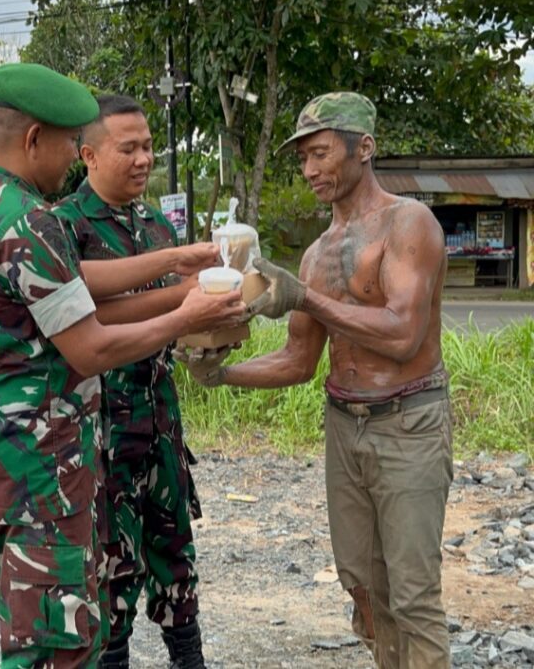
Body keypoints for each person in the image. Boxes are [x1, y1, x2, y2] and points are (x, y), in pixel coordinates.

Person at [0, 63, 246, 668]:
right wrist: (184, 315)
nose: (69, 160)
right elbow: (92, 345)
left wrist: (177, 264)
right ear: (36, 139)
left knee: (55, 613)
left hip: (18, 446)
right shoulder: (31, 219)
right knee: (58, 637)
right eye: (67, 144)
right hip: (44, 456)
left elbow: (78, 289)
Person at [193, 92, 452, 668]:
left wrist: (303, 297)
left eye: (320, 153)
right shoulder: (315, 255)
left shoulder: (409, 224)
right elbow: (298, 361)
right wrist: (221, 372)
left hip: (409, 422)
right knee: (363, 588)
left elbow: (401, 334)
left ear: (365, 148)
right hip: (345, 426)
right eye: (302, 159)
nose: (309, 170)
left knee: (413, 596)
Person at [53, 94, 208, 669]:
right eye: (130, 148)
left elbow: (173, 323)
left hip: (159, 418)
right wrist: (185, 298)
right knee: (111, 566)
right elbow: (91, 315)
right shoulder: (65, 228)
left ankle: (188, 659)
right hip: (102, 426)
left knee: (175, 555)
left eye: (149, 147)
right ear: (89, 155)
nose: (144, 159)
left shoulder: (154, 224)